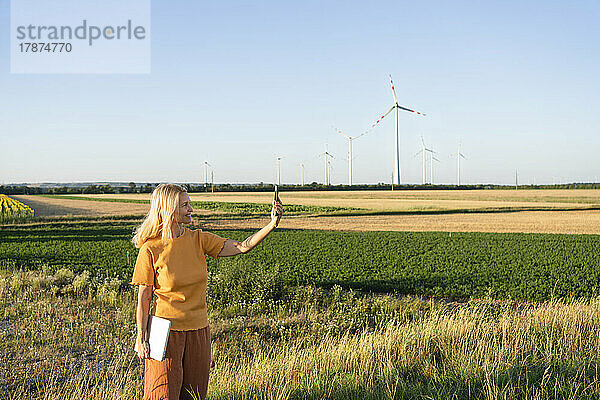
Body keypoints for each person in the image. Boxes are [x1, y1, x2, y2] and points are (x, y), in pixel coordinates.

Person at [131, 183, 283, 400]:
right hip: (164, 332)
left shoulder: (199, 239)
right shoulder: (151, 248)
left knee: (194, 395)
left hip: (199, 330)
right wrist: (141, 336)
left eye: (189, 203)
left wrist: (272, 224)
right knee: (161, 394)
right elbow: (144, 299)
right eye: (185, 205)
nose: (191, 209)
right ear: (168, 208)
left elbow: (241, 246)